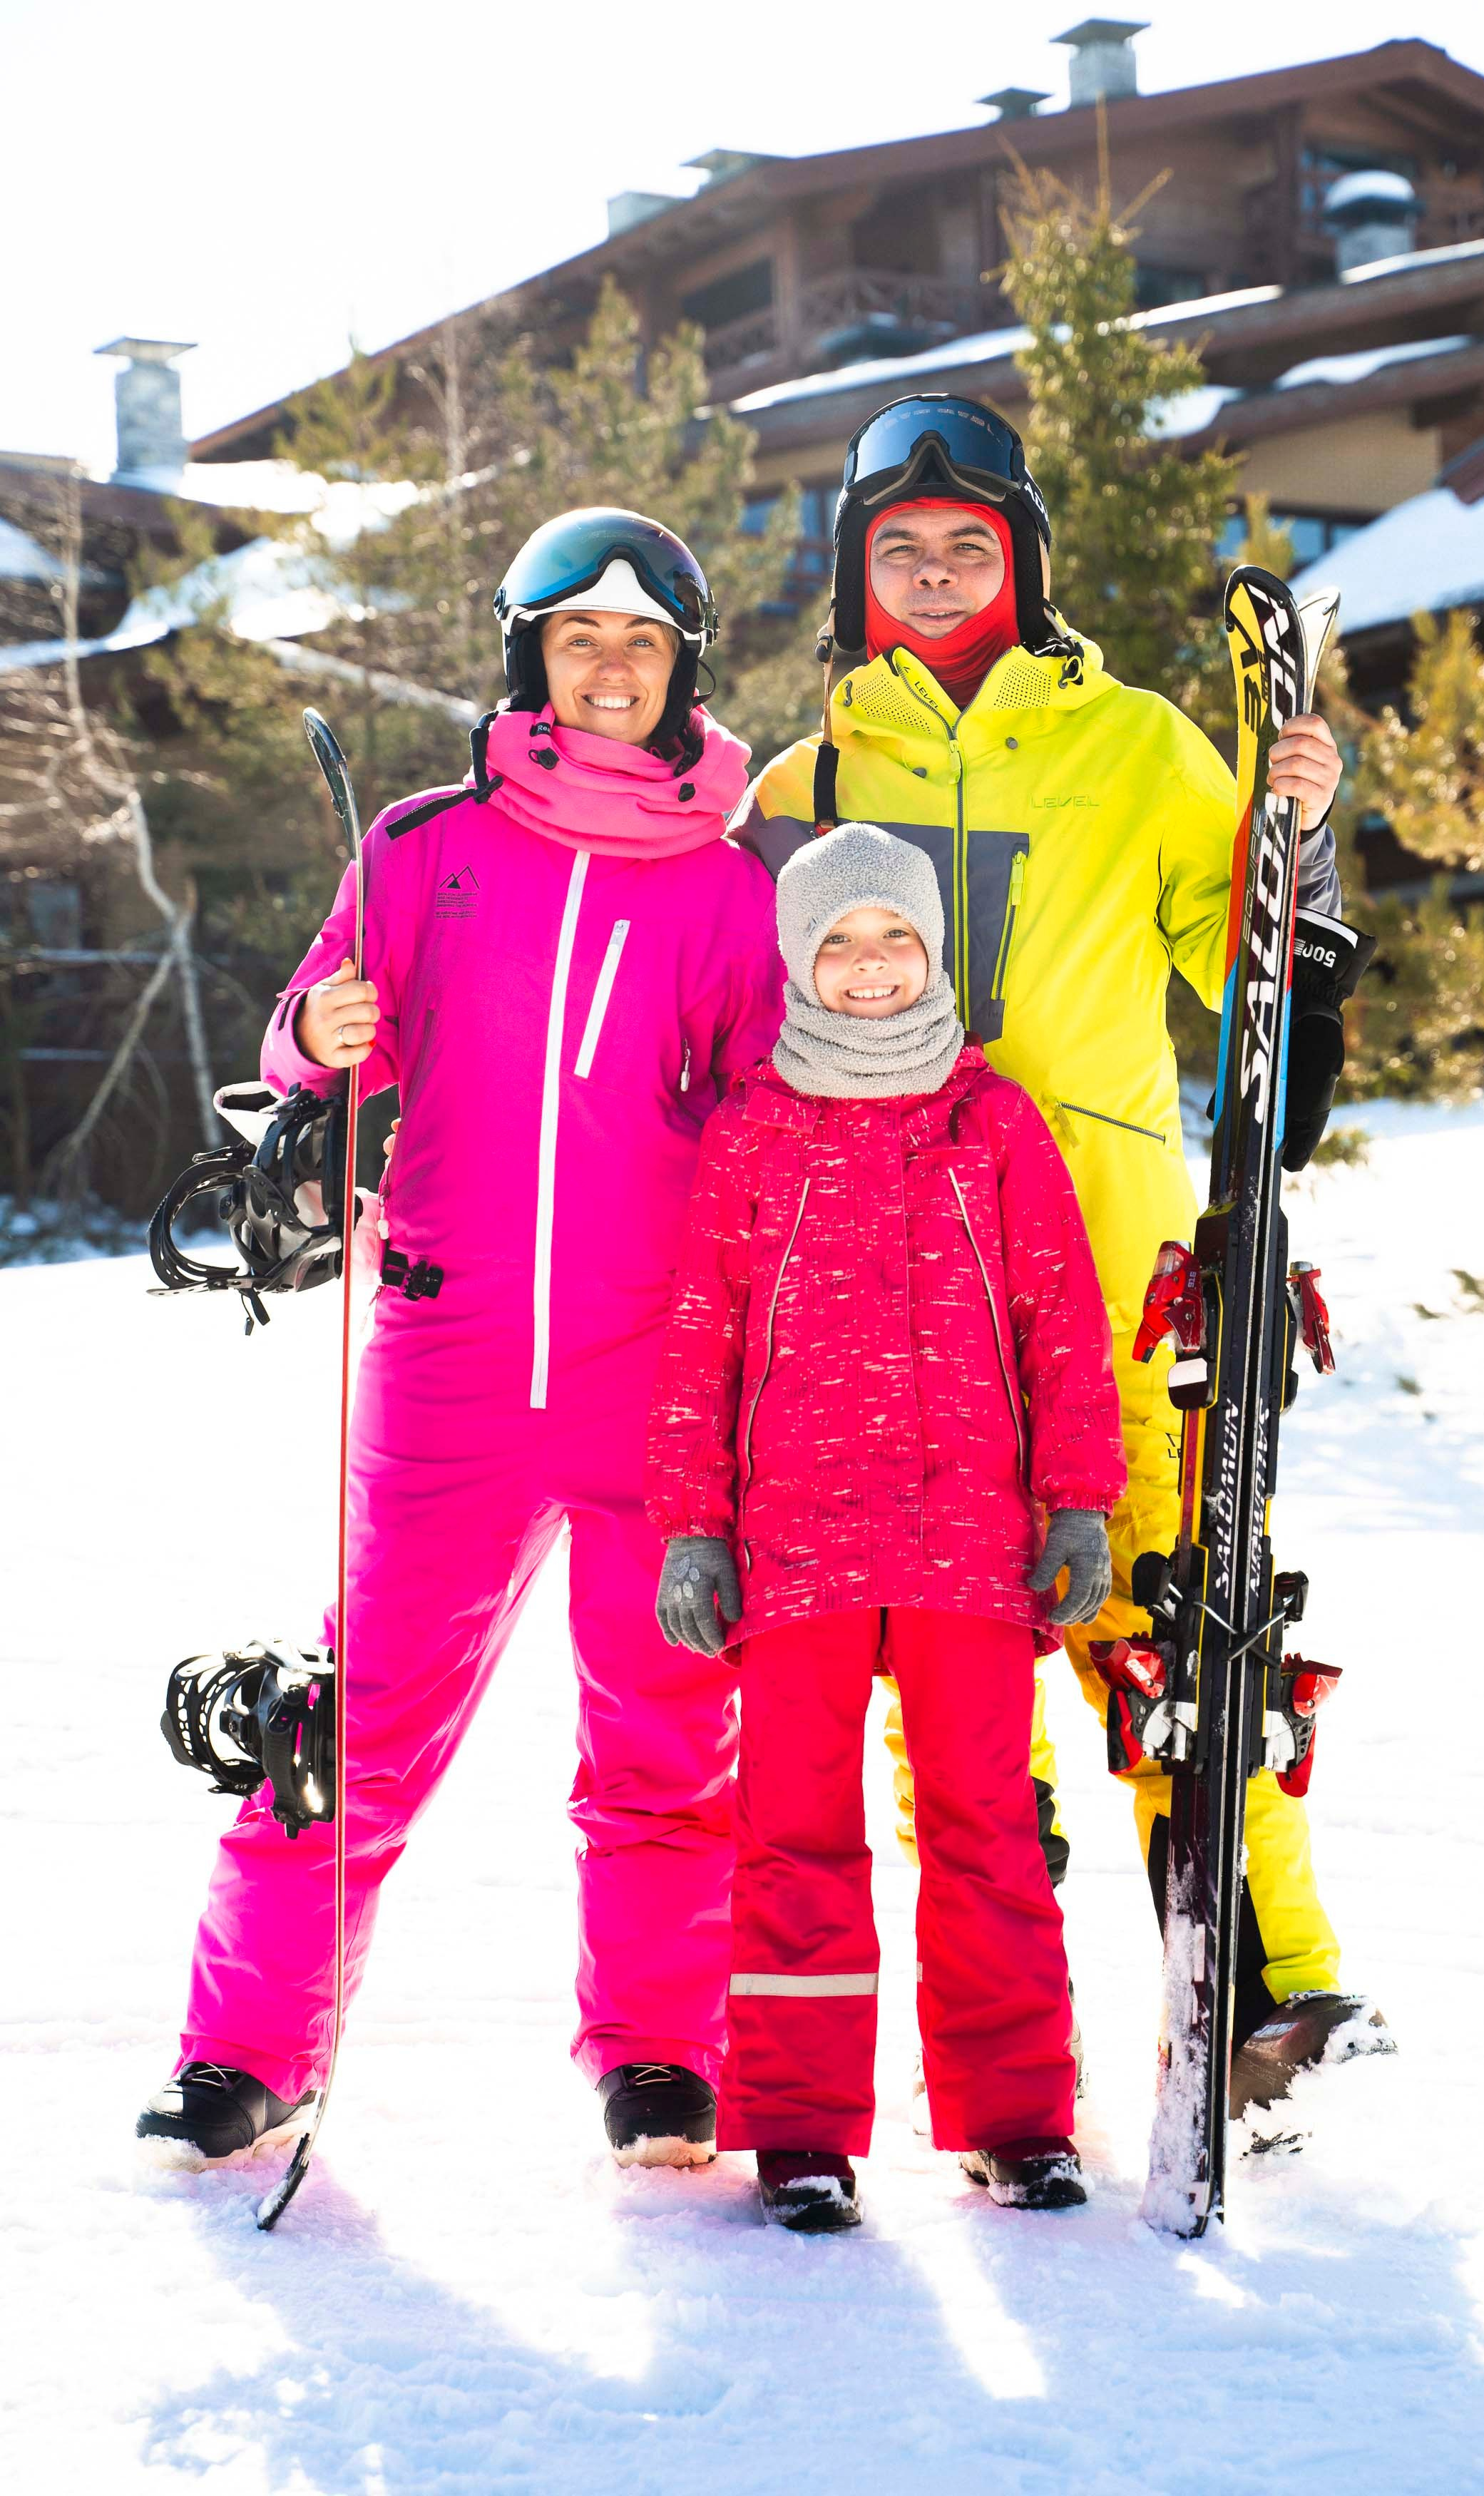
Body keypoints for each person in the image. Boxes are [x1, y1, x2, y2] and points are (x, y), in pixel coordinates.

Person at [735, 396, 1391, 2113]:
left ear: (1022, 561)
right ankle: (1010, 2038)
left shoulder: (1138, 744)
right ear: (855, 576)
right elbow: (741, 1038)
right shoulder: (802, 787)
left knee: (1177, 1611)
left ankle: (1266, 1979)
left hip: (1106, 1261)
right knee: (956, 1673)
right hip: (888, 1294)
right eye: (899, 548)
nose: (935, 574)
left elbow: (1241, 957)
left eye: (970, 545)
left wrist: (1295, 838)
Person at [138, 511, 787, 2173]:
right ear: (530, 658)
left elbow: (766, 1127)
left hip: (658, 1383)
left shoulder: (732, 891)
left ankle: (661, 2051)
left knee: (667, 1734)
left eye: (643, 643)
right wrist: (317, 1028)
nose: (611, 667)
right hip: (448, 1369)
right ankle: (245, 2051)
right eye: (580, 638)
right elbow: (310, 1056)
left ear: (683, 670)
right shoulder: (427, 848)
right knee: (354, 1721)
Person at [647, 822, 1125, 2230]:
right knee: (794, 1837)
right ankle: (799, 2129)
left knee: (986, 1828)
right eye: (839, 942)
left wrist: (1077, 1503)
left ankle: (1016, 2114)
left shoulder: (994, 1122)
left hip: (968, 1541)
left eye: (895, 938)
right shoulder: (752, 1129)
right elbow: (700, 1338)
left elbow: (1061, 1320)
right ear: (798, 959)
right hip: (793, 1545)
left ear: (933, 950)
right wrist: (693, 1525)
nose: (869, 966)